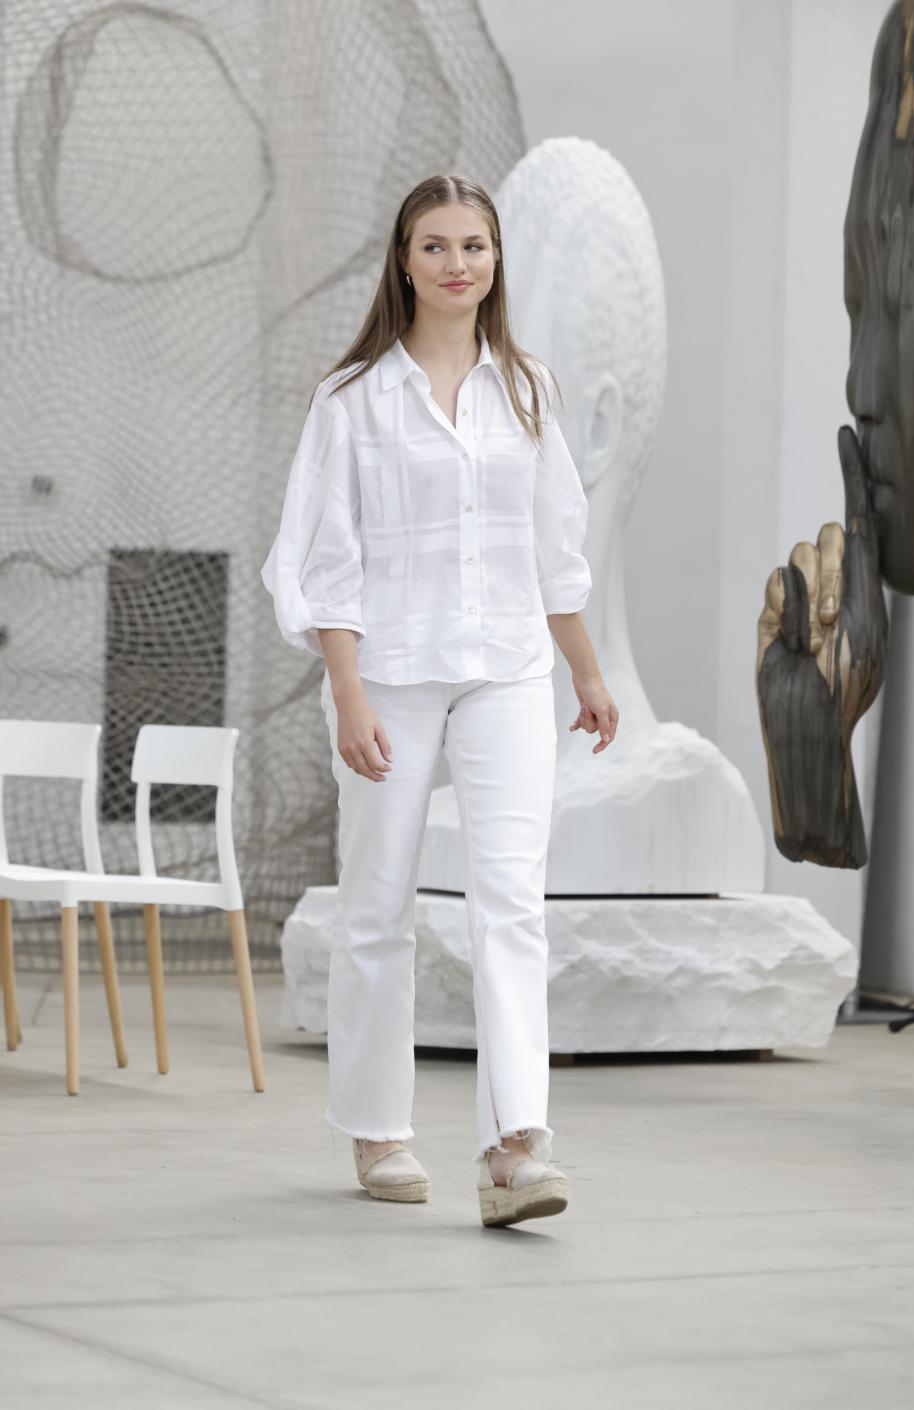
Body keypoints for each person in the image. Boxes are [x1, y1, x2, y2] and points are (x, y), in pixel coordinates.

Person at [261, 172, 618, 1227]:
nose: (459, 263)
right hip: (391, 676)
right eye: (436, 246)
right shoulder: (351, 400)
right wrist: (345, 691)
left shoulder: (529, 391)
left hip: (508, 666)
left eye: (476, 245)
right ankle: (379, 1132)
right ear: (402, 261)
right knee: (378, 904)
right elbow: (326, 560)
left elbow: (553, 549)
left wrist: (586, 672)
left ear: (495, 260)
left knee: (512, 902)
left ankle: (517, 1148)